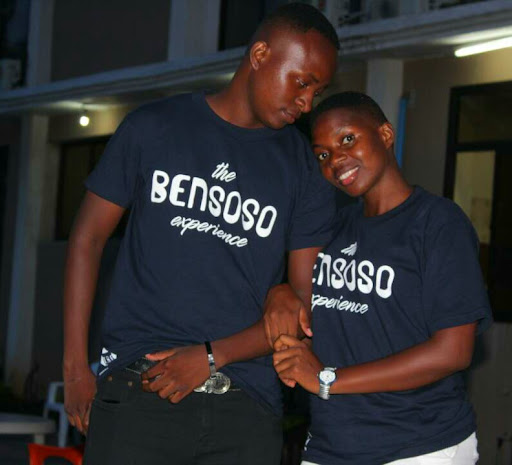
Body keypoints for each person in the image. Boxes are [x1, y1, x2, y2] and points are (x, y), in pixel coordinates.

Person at [63, 3, 339, 465]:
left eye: (318, 91)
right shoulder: (154, 127)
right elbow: (86, 240)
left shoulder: (303, 169)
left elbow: (303, 308)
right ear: (260, 55)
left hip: (245, 406)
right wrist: (75, 369)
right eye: (302, 82)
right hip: (140, 390)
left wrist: (211, 356)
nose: (307, 102)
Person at [272, 92, 492, 465]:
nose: (335, 160)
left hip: (420, 445)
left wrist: (328, 379)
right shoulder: (332, 229)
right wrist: (279, 294)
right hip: (332, 444)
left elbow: (453, 351)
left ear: (386, 135)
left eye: (347, 139)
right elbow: (306, 311)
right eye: (323, 155)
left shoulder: (437, 223)